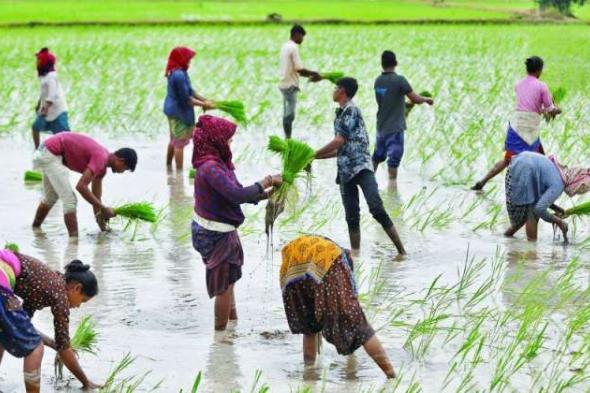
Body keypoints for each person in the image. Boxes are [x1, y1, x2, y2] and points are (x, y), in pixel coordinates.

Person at [191, 115, 282, 331]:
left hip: (222, 229)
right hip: (213, 233)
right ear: (217, 140)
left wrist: (268, 194)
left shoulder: (221, 164)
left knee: (229, 280)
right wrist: (268, 179)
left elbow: (241, 192)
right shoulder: (210, 168)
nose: (231, 143)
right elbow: (236, 195)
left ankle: (232, 328)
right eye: (229, 139)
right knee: (223, 286)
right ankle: (221, 338)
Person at [280, 235, 396, 378]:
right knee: (360, 326)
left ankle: (309, 372)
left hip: (291, 266)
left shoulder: (328, 245)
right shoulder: (340, 259)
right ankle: (392, 376)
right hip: (322, 259)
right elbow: (350, 302)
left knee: (309, 328)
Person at [315, 77, 405, 254]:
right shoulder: (340, 114)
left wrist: (314, 153)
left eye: (336, 87)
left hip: (362, 167)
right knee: (352, 217)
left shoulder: (351, 110)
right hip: (345, 171)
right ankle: (356, 256)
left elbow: (339, 141)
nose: (333, 90)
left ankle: (402, 252)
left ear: (343, 91)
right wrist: (314, 158)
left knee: (377, 208)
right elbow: (342, 148)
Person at [0, 249, 100, 392]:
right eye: (82, 301)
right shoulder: (60, 295)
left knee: (4, 329)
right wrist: (86, 382)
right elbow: (64, 347)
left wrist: (55, 345)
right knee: (35, 348)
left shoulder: (46, 284)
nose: (78, 306)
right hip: (1, 283)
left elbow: (21, 328)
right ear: (76, 288)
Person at [472, 56, 561, 191]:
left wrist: (544, 110)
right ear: (540, 70)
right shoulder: (542, 86)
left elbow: (530, 107)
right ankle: (541, 193)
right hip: (529, 128)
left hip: (516, 125)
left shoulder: (518, 84)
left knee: (509, 159)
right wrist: (558, 109)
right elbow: (550, 110)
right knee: (538, 162)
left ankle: (483, 181)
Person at [32, 132, 137, 237]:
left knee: (51, 197)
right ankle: (73, 243)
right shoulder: (101, 158)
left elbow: (96, 199)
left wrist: (103, 228)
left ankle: (35, 229)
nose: (122, 172)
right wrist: (104, 209)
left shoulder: (102, 169)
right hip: (51, 152)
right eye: (125, 168)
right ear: (121, 161)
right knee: (70, 201)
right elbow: (81, 186)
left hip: (45, 151)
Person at [373, 50, 434, 180]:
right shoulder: (400, 80)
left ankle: (367, 181)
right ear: (396, 63)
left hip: (381, 126)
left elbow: (387, 100)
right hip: (395, 128)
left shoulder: (378, 81)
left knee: (377, 156)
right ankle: (392, 189)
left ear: (382, 64)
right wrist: (426, 99)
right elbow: (416, 99)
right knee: (394, 161)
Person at [504, 151, 590, 241]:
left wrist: (559, 210)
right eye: (581, 189)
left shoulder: (559, 174)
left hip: (520, 162)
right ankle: (531, 249)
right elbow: (539, 209)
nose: (578, 192)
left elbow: (541, 200)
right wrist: (559, 222)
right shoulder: (558, 185)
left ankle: (507, 237)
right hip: (525, 168)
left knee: (527, 213)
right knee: (533, 215)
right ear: (576, 184)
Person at [164, 46, 214, 170]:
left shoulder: (179, 72)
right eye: (188, 59)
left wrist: (205, 100)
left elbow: (190, 91)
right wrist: (204, 105)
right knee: (179, 144)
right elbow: (186, 100)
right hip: (178, 113)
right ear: (181, 59)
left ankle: (168, 167)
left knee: (173, 140)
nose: (189, 62)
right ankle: (179, 174)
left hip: (172, 110)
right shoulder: (179, 75)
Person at [278, 24, 322, 139]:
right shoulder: (293, 47)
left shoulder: (285, 46)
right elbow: (299, 69)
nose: (302, 39)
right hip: (290, 85)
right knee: (290, 114)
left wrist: (311, 75)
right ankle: (288, 138)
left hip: (283, 83)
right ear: (297, 34)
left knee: (287, 112)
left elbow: (298, 71)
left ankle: (287, 137)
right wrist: (314, 73)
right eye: (302, 36)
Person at [32, 48, 70, 149]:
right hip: (46, 110)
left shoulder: (51, 77)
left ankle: (67, 154)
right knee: (35, 127)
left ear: (44, 63)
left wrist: (46, 108)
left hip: (58, 111)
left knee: (64, 136)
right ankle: (37, 150)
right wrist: (39, 104)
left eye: (39, 60)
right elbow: (44, 93)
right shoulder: (44, 77)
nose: (37, 62)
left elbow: (52, 95)